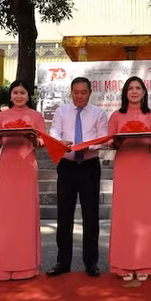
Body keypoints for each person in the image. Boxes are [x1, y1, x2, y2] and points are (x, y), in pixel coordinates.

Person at [47, 77, 108, 277]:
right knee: (64, 215)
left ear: (90, 92)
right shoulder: (61, 112)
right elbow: (54, 133)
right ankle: (62, 262)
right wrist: (60, 141)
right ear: (71, 92)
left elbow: (103, 138)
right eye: (76, 92)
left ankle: (91, 263)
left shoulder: (99, 113)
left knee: (91, 215)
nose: (79, 96)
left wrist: (89, 145)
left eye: (83, 92)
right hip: (67, 166)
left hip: (89, 166)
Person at [107, 76, 151, 282]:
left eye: (138, 88)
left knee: (144, 214)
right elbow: (109, 142)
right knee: (125, 214)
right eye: (130, 88)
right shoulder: (116, 115)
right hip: (124, 166)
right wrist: (118, 140)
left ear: (144, 92)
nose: (134, 91)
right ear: (125, 92)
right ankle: (124, 264)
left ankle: (145, 263)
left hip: (143, 166)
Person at [0, 80, 46, 281]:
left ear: (28, 95)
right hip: (7, 166)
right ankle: (1, 267)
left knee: (25, 214)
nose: (19, 96)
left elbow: (41, 142)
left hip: (27, 166)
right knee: (5, 214)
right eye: (15, 92)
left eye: (22, 92)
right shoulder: (2, 116)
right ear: (10, 95)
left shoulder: (36, 116)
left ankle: (26, 266)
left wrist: (33, 137)